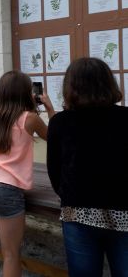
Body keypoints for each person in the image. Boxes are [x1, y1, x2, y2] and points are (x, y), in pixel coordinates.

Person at [47, 58, 128, 277]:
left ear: (70, 87)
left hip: (78, 211)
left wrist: (68, 195)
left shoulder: (60, 123)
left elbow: (54, 172)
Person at [0, 71, 55, 277]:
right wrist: (49, 107)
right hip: (7, 189)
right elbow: (55, 136)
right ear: (23, 93)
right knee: (10, 254)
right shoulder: (30, 118)